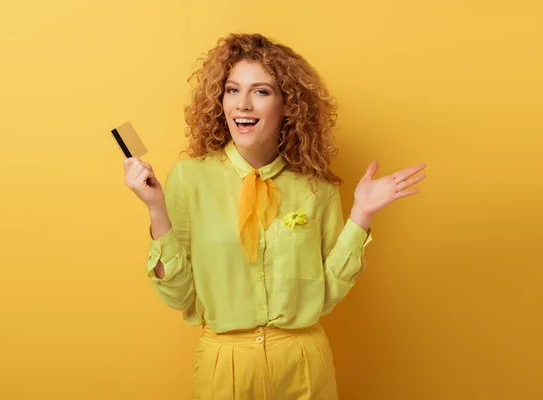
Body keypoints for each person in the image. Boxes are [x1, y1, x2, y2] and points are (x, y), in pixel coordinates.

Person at [123, 33, 426, 399]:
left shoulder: (317, 186)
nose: (243, 105)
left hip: (303, 366)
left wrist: (361, 215)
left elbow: (326, 294)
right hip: (225, 365)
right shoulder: (189, 179)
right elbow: (179, 295)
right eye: (232, 90)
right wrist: (156, 208)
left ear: (289, 105)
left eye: (261, 92)